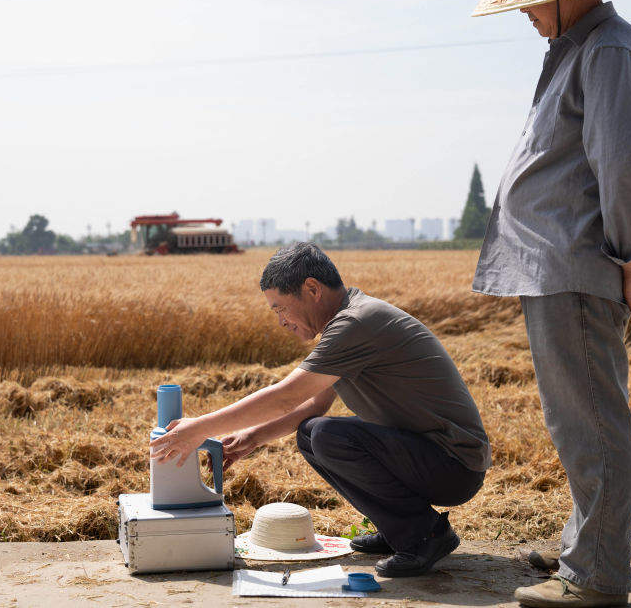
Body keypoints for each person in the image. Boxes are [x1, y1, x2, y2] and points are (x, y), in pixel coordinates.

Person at [470, 0, 631, 606]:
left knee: (591, 421)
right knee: (574, 419)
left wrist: (630, 251)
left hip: (578, 261)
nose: (525, 12)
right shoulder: (580, 49)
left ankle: (597, 577)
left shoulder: (607, 49)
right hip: (558, 265)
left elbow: (617, 162)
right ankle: (583, 548)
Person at [150, 242, 490, 577]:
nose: (281, 321)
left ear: (312, 289)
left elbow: (287, 396)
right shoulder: (349, 321)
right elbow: (313, 404)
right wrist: (252, 437)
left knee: (327, 436)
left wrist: (198, 429)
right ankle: (399, 529)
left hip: (454, 463)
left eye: (280, 308)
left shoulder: (356, 322)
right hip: (431, 456)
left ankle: (424, 534)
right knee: (312, 435)